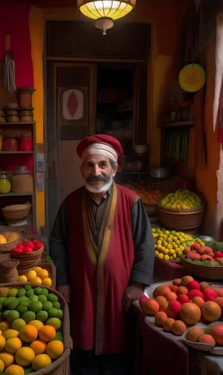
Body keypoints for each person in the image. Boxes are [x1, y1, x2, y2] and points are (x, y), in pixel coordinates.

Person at [50, 134, 154, 375]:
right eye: (90, 164)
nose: (96, 171)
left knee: (117, 347)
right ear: (82, 169)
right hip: (81, 290)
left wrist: (138, 283)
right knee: (82, 343)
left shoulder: (131, 201)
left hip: (118, 292)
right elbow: (57, 242)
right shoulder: (70, 203)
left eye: (102, 164)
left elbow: (145, 244)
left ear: (114, 169)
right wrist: (63, 281)